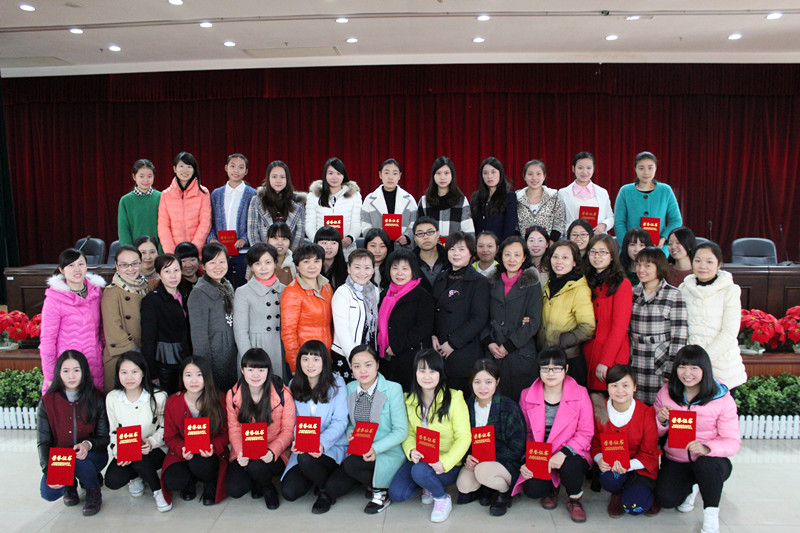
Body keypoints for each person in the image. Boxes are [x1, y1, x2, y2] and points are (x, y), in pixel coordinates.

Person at [655, 345, 740, 533]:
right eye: (682, 367)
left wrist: (706, 448)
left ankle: (711, 516)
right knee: (666, 499)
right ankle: (692, 486)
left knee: (706, 466)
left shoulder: (721, 398)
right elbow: (654, 434)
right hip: (677, 459)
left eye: (694, 368)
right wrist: (661, 421)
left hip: (711, 461)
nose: (687, 373)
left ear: (705, 370)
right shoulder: (666, 393)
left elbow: (732, 441)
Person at [512, 347, 594, 524]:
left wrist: (563, 453)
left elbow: (586, 432)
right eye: (545, 368)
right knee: (533, 489)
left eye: (556, 368)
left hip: (570, 451)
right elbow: (525, 433)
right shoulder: (526, 395)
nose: (550, 373)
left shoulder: (580, 393)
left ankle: (574, 498)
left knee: (571, 468)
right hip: (541, 453)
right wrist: (526, 459)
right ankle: (552, 488)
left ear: (566, 369)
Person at [389, 350, 471, 523]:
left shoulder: (455, 398)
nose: (427, 376)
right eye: (422, 370)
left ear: (440, 373)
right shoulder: (409, 400)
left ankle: (441, 497)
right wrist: (411, 450)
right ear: (415, 373)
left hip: (446, 463)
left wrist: (445, 462)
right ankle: (428, 484)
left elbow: (464, 437)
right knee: (397, 494)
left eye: (432, 371)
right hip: (420, 459)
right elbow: (409, 433)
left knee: (419, 471)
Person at [324, 345, 408, 514]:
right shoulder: (350, 388)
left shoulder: (393, 389)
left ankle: (381, 492)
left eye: (368, 365)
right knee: (332, 488)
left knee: (351, 465)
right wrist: (349, 433)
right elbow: (350, 423)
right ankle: (370, 481)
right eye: (357, 366)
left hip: (386, 451)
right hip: (360, 450)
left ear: (377, 365)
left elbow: (401, 431)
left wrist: (375, 449)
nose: (362, 370)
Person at [37, 350, 109, 516]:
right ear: (58, 373)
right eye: (66, 371)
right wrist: (48, 469)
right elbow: (43, 441)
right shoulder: (48, 401)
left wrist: (88, 445)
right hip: (61, 459)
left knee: (79, 461)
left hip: (92, 455)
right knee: (49, 493)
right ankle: (70, 485)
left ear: (84, 371)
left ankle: (93, 490)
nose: (71, 376)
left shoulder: (96, 398)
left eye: (76, 370)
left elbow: (104, 437)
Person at [281, 341, 348, 514]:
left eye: (316, 359)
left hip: (330, 446)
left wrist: (321, 443)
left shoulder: (337, 383)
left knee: (306, 459)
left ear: (324, 361)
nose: (310, 365)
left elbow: (340, 421)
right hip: (303, 447)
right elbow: (292, 421)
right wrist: (297, 440)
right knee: (289, 492)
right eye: (305, 359)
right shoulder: (293, 384)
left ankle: (326, 492)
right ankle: (318, 478)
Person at [225, 348, 295, 510]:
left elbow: (288, 430)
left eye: (261, 370)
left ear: (268, 371)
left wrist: (273, 451)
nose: (255, 375)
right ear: (242, 370)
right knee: (235, 489)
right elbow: (234, 429)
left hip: (274, 450)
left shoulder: (283, 394)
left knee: (257, 466)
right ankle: (257, 480)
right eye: (250, 370)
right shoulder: (233, 395)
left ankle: (267, 487)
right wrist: (240, 452)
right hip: (245, 449)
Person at [455, 359, 526, 517]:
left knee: (482, 470)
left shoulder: (508, 407)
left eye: (488, 382)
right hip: (477, 461)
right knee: (464, 485)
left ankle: (503, 492)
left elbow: (518, 446)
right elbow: (460, 437)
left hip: (505, 461)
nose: (483, 387)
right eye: (477, 382)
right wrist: (468, 457)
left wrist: (489, 458)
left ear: (497, 382)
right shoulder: (466, 406)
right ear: (471, 383)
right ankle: (486, 487)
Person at [104, 352, 171, 512]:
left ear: (143, 373)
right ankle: (135, 476)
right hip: (127, 451)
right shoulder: (113, 398)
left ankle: (158, 490)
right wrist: (118, 451)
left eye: (134, 372)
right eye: (124, 372)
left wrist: (152, 442)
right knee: (112, 480)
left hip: (154, 450)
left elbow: (165, 428)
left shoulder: (159, 397)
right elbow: (113, 431)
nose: (129, 377)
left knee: (140, 455)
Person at [590, 364, 659, 517]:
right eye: (614, 385)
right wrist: (600, 459)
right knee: (609, 479)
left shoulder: (646, 412)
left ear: (635, 387)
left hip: (639, 466)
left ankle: (647, 494)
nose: (620, 390)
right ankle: (617, 494)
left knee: (634, 507)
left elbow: (649, 452)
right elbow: (595, 443)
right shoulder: (600, 408)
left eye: (625, 385)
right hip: (612, 466)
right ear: (608, 387)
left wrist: (628, 466)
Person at [161, 356, 229, 506]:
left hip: (210, 453)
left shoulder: (219, 399)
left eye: (199, 375)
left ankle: (209, 483)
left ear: (207, 377)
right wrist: (181, 448)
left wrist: (213, 446)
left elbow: (227, 433)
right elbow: (170, 437)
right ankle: (189, 481)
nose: (194, 380)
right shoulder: (173, 402)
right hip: (184, 452)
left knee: (203, 465)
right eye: (188, 375)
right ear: (182, 377)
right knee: (173, 481)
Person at [482, 236, 542, 401]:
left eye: (517, 255)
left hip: (520, 354)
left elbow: (534, 321)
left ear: (524, 258)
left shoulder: (532, 284)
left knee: (519, 404)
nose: (512, 259)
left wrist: (509, 345)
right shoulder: (491, 282)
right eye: (507, 254)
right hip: (493, 352)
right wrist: (489, 342)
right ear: (501, 256)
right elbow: (483, 317)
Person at [679, 242, 746, 390]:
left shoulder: (730, 290)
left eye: (709, 262)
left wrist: (703, 360)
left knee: (721, 405)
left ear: (719, 264)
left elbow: (729, 332)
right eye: (698, 260)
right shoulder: (683, 289)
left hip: (722, 367)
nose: (703, 266)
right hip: (690, 369)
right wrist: (690, 362)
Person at [40, 248, 105, 393]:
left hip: (94, 362)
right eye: (71, 265)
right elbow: (48, 340)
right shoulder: (54, 299)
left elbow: (101, 330)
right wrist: (50, 376)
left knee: (94, 403)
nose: (77, 269)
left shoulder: (96, 292)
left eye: (81, 264)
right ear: (61, 270)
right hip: (68, 366)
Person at [629, 246, 688, 405]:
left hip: (660, 362)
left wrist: (671, 369)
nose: (641, 269)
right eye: (639, 264)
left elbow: (679, 337)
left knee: (661, 407)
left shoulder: (673, 294)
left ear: (659, 267)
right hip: (635, 359)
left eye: (647, 265)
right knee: (637, 408)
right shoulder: (632, 292)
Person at [431, 232, 490, 392]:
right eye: (452, 249)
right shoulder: (440, 277)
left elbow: (479, 318)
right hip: (439, 349)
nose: (456, 253)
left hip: (463, 350)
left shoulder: (479, 282)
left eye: (461, 249)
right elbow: (433, 310)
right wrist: (433, 334)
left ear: (471, 253)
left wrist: (453, 343)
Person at [538, 241, 595, 388]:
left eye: (565, 257)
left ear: (574, 262)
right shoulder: (549, 283)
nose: (559, 261)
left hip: (568, 359)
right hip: (546, 355)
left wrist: (563, 341)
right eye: (555, 257)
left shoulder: (579, 288)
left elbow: (588, 326)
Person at [377, 248, 435, 391]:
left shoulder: (422, 296)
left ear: (413, 271)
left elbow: (423, 329)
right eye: (395, 268)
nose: (399, 273)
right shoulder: (386, 294)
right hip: (386, 360)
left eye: (405, 268)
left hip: (411, 359)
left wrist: (397, 346)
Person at [583, 235, 632, 394]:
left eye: (603, 252)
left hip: (612, 355)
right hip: (587, 352)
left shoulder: (622, 284)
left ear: (612, 256)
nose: (597, 256)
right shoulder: (586, 281)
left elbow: (619, 328)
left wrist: (605, 361)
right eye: (593, 251)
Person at [188, 243, 237, 392]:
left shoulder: (227, 286)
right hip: (215, 357)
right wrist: (204, 369)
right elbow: (199, 338)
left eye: (222, 261)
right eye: (212, 262)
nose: (218, 267)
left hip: (231, 353)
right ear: (203, 266)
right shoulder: (199, 293)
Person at [101, 244, 151, 392]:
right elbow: (113, 329)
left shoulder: (146, 287)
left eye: (135, 263)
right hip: (121, 357)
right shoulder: (112, 292)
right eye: (124, 265)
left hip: (143, 354)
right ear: (117, 266)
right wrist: (135, 352)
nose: (130, 269)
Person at [141, 253, 192, 394]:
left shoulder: (186, 294)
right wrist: (152, 372)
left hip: (186, 358)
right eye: (167, 271)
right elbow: (148, 339)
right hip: (165, 363)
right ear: (159, 274)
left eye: (176, 270)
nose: (173, 276)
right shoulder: (151, 301)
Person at [233, 243, 286, 378]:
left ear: (275, 263)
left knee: (278, 387)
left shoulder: (285, 290)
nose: (263, 268)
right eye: (257, 263)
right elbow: (240, 331)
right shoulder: (243, 292)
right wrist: (249, 359)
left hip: (280, 348)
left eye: (268, 262)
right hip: (255, 347)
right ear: (251, 267)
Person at [280, 243, 334, 374]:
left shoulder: (326, 286)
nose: (312, 266)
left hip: (325, 354)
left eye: (316, 261)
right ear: (297, 265)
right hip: (306, 358)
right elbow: (288, 333)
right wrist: (295, 366)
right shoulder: (292, 292)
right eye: (306, 262)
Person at [614, 151, 682, 253]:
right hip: (631, 250)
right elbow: (619, 222)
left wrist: (663, 238)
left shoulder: (665, 190)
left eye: (650, 168)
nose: (646, 172)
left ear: (656, 168)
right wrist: (627, 245)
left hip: (659, 248)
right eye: (641, 168)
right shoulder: (625, 191)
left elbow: (676, 220)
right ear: (635, 169)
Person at [208, 153, 257, 288]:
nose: (236, 170)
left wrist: (244, 239)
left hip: (243, 253)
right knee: (222, 287)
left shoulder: (253, 194)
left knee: (242, 287)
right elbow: (210, 221)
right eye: (233, 166)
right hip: (220, 252)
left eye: (241, 167)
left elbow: (255, 223)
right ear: (226, 168)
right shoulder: (216, 194)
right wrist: (212, 239)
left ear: (246, 171)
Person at [331, 250, 379, 382]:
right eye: (357, 267)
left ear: (373, 270)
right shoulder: (343, 292)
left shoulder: (374, 291)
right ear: (348, 269)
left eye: (367, 268)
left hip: (369, 351)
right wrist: (355, 359)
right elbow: (342, 330)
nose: (362, 272)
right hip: (346, 353)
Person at [305, 157, 362, 258]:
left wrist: (350, 237)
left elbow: (356, 223)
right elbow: (309, 224)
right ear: (325, 175)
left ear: (343, 175)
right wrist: (319, 241)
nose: (334, 177)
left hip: (346, 250)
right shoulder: (313, 196)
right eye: (330, 173)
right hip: (320, 250)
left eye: (338, 173)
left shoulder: (354, 196)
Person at [247, 160, 306, 252]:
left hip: (290, 255)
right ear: (268, 178)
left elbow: (299, 234)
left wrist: (289, 256)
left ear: (287, 179)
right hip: (263, 255)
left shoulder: (298, 202)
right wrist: (262, 255)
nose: (278, 180)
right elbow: (252, 233)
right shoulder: (256, 201)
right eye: (274, 177)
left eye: (282, 177)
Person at [157, 152, 211, 253]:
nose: (185, 170)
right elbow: (163, 226)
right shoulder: (165, 195)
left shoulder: (203, 193)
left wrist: (193, 250)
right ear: (174, 169)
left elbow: (205, 222)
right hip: (174, 252)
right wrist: (171, 252)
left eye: (189, 167)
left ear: (194, 169)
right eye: (181, 166)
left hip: (197, 252)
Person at [360, 158, 417, 247]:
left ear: (400, 176)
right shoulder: (369, 199)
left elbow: (414, 222)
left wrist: (407, 237)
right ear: (380, 175)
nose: (390, 177)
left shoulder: (409, 199)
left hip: (403, 248)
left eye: (395, 173)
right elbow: (365, 224)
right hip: (378, 248)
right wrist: (375, 240)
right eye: (386, 173)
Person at [417, 156, 475, 240]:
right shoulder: (424, 201)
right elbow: (419, 232)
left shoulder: (461, 200)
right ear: (433, 175)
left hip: (454, 247)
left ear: (452, 175)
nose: (442, 177)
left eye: (446, 173)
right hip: (430, 247)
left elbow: (469, 232)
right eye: (438, 173)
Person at [558, 151, 614, 234]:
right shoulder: (563, 193)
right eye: (580, 168)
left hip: (597, 238)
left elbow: (610, 217)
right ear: (573, 169)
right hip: (574, 238)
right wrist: (572, 230)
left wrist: (604, 225)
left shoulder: (602, 192)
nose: (584, 172)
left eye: (588, 168)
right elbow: (559, 220)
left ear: (593, 169)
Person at [118, 158, 162, 251]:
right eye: (141, 176)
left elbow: (166, 227)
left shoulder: (162, 197)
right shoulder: (125, 200)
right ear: (134, 177)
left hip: (157, 250)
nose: (146, 180)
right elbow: (123, 230)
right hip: (135, 251)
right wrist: (131, 252)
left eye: (149, 176)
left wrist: (161, 251)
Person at [516, 159, 566, 240]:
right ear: (524, 176)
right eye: (530, 174)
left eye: (538, 174)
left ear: (544, 176)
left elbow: (560, 222)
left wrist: (551, 242)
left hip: (549, 244)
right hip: (523, 244)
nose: (534, 178)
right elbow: (514, 225)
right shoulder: (517, 197)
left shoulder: (553, 196)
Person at [470, 157, 518, 241]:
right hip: (478, 245)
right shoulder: (476, 197)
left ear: (500, 173)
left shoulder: (509, 197)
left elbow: (509, 229)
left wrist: (502, 247)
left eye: (493, 172)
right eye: (485, 173)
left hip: (499, 245)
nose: (489, 176)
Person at [412, 216, 449, 292]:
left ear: (438, 234)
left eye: (430, 232)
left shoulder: (450, 260)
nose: (426, 237)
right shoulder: (409, 263)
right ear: (415, 238)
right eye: (420, 233)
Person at [314, 225, 348, 291]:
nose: (329, 247)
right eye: (324, 243)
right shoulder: (311, 268)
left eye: (333, 243)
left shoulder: (347, 269)